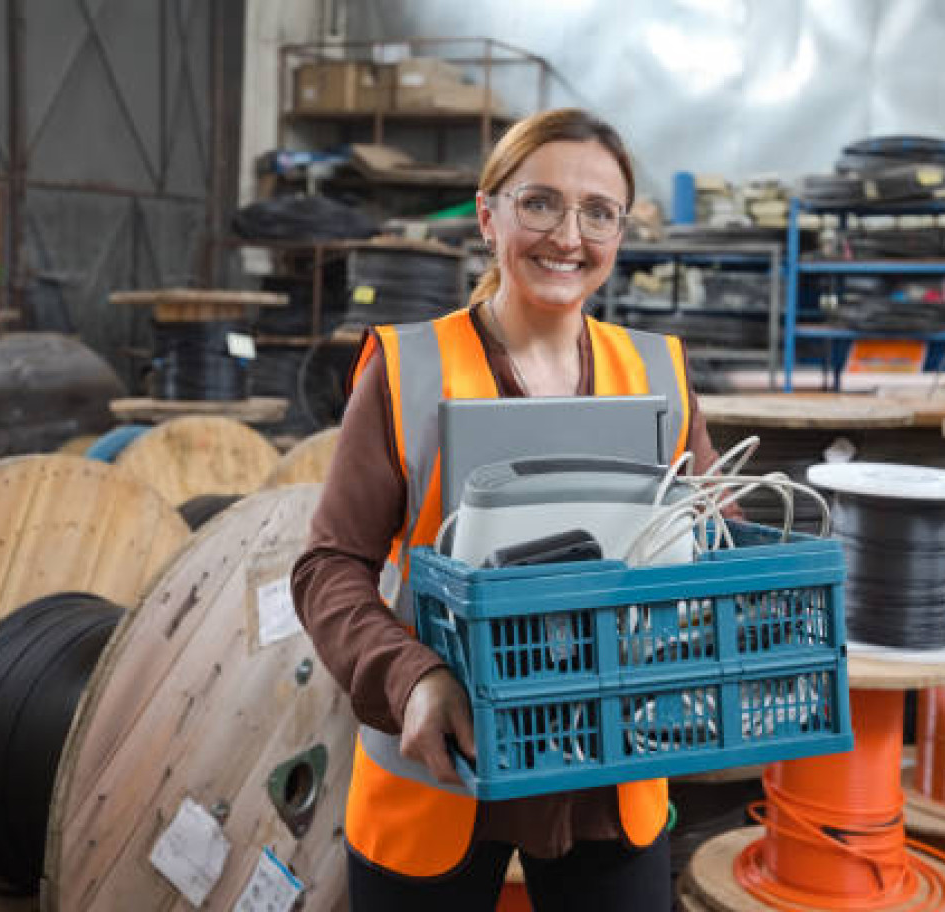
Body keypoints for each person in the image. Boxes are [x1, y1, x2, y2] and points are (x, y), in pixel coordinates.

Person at [292, 108, 727, 911]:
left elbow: (709, 549)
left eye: (598, 212)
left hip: (611, 766)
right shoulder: (406, 369)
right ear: (488, 216)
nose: (569, 234)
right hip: (440, 762)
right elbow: (330, 568)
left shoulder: (661, 372)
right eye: (540, 203)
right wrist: (411, 679)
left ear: (620, 235)